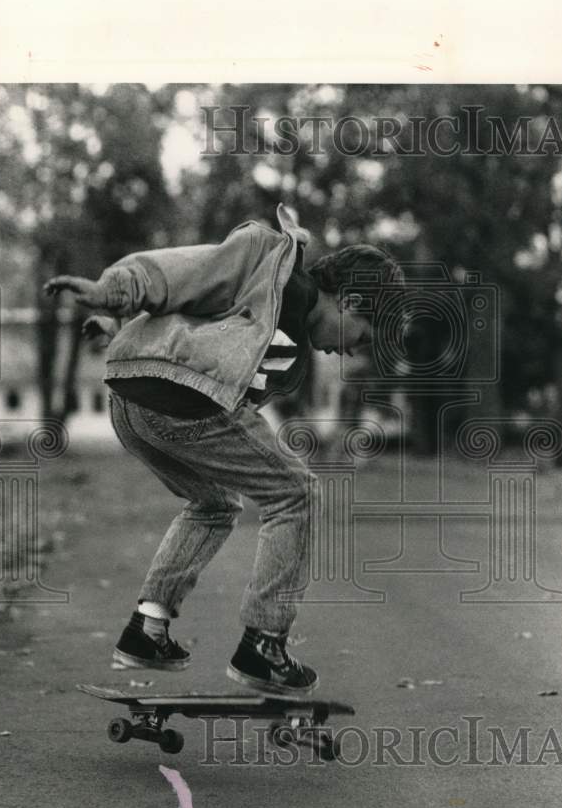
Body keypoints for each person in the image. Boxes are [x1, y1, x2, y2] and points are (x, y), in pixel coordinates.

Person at [44, 204, 400, 695]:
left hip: (135, 402)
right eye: (359, 336)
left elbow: (194, 323)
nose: (348, 351)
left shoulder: (289, 353)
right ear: (350, 300)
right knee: (295, 492)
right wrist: (115, 293)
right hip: (176, 397)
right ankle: (264, 644)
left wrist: (118, 330)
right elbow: (185, 273)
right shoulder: (266, 262)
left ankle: (147, 629)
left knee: (215, 503)